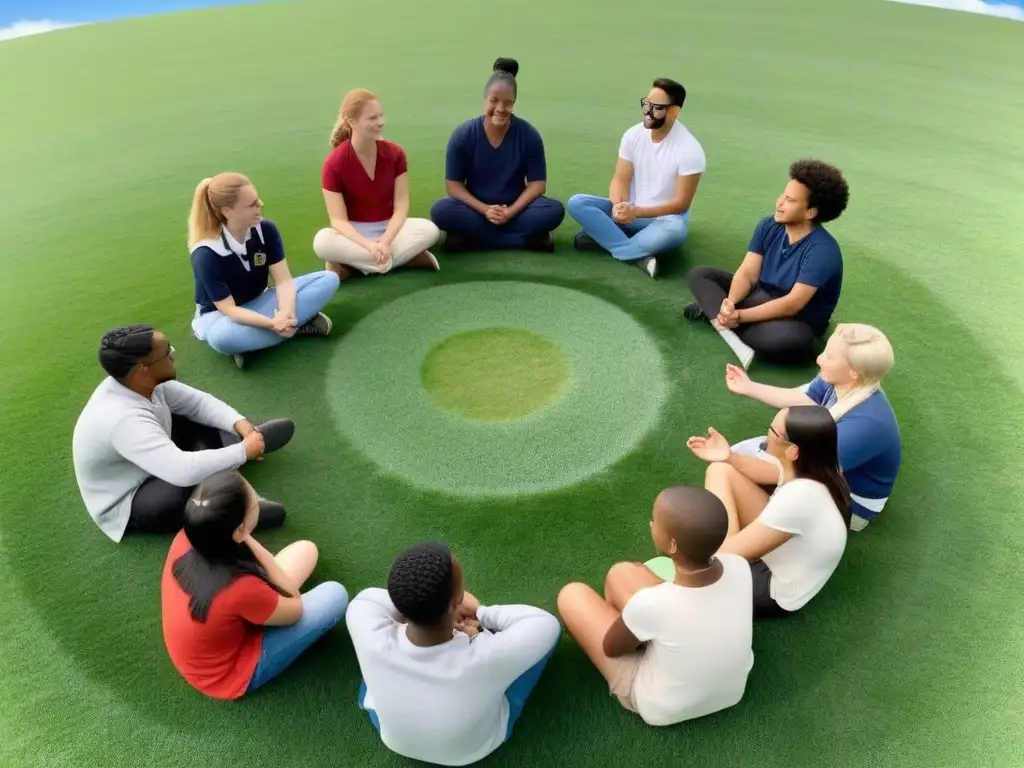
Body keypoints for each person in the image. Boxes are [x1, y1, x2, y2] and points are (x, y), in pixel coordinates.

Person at [72, 324, 294, 543]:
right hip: (130, 497)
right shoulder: (122, 420)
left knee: (190, 416)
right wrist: (243, 452)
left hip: (153, 458)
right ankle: (235, 510)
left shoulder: (138, 382)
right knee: (181, 488)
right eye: (166, 353)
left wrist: (240, 424)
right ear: (143, 369)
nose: (173, 354)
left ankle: (233, 446)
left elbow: (198, 403)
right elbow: (181, 470)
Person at [346, 541, 561, 766]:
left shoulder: (364, 621)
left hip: (394, 739)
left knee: (373, 664)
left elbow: (370, 597)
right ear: (458, 600)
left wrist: (431, 606)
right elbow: (544, 624)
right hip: (470, 751)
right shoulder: (486, 656)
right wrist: (480, 613)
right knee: (540, 648)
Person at [556, 486, 753, 726]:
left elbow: (613, 648)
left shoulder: (651, 604)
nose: (651, 524)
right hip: (732, 691)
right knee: (621, 573)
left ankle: (650, 639)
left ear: (672, 545)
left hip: (663, 706)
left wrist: (641, 623)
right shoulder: (740, 566)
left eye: (656, 521)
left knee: (571, 595)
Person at [161, 470, 349, 699]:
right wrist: (246, 538)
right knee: (335, 595)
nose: (258, 501)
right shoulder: (240, 588)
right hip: (227, 674)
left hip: (212, 638)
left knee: (306, 550)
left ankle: (259, 611)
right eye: (255, 499)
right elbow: (294, 605)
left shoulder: (188, 535)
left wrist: (243, 536)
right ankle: (261, 616)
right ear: (239, 529)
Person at [722, 323, 900, 531]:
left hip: (852, 502)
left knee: (737, 472)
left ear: (853, 372)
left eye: (829, 357)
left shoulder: (864, 425)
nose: (819, 359)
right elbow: (800, 398)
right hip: (828, 469)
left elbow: (808, 474)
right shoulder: (845, 381)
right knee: (745, 458)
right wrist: (749, 387)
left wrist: (731, 459)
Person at [686, 405, 850, 619]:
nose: (766, 436)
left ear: (793, 451)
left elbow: (725, 556)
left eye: (771, 431)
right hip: (792, 553)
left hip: (776, 589)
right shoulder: (816, 468)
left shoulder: (799, 499)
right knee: (719, 470)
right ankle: (728, 542)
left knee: (705, 564)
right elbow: (758, 471)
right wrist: (727, 456)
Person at [683, 159, 850, 368]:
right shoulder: (768, 225)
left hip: (795, 320)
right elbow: (747, 273)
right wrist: (731, 303)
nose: (779, 202)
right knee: (701, 275)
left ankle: (714, 316)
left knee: (790, 341)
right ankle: (722, 318)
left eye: (790, 200)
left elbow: (791, 305)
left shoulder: (823, 251)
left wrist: (740, 316)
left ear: (810, 212)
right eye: (783, 195)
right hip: (758, 298)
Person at [188, 172, 340, 370]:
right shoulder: (206, 253)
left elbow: (284, 281)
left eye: (257, 200)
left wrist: (286, 313)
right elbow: (229, 309)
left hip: (262, 302)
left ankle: (257, 342)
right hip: (222, 318)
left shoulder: (265, 229)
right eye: (252, 204)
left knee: (328, 279)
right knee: (222, 338)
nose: (260, 205)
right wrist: (272, 324)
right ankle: (298, 325)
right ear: (227, 211)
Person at [566, 77, 705, 279]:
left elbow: (681, 204)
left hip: (662, 221)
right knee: (577, 203)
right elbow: (621, 179)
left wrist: (637, 212)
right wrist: (618, 206)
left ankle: (607, 242)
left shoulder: (690, 150)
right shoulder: (633, 135)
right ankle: (639, 255)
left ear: (674, 112)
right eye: (646, 104)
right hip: (627, 213)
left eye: (656, 107)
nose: (647, 112)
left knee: (674, 231)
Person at [429, 58, 565, 253]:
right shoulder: (463, 135)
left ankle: (472, 239)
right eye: (494, 101)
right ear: (485, 99)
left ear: (514, 103)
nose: (501, 109)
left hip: (516, 208)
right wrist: (486, 210)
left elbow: (538, 184)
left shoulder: (529, 135)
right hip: (476, 209)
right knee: (441, 210)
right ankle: (525, 240)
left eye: (508, 103)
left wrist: (510, 212)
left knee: (554, 210)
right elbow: (453, 185)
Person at [314, 88, 441, 277]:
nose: (380, 122)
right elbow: (338, 221)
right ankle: (401, 260)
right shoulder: (334, 164)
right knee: (322, 242)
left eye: (380, 116)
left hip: (391, 229)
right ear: (352, 122)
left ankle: (354, 267)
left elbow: (401, 207)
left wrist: (385, 242)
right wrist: (369, 246)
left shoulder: (395, 154)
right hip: (354, 234)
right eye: (372, 118)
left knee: (430, 230)